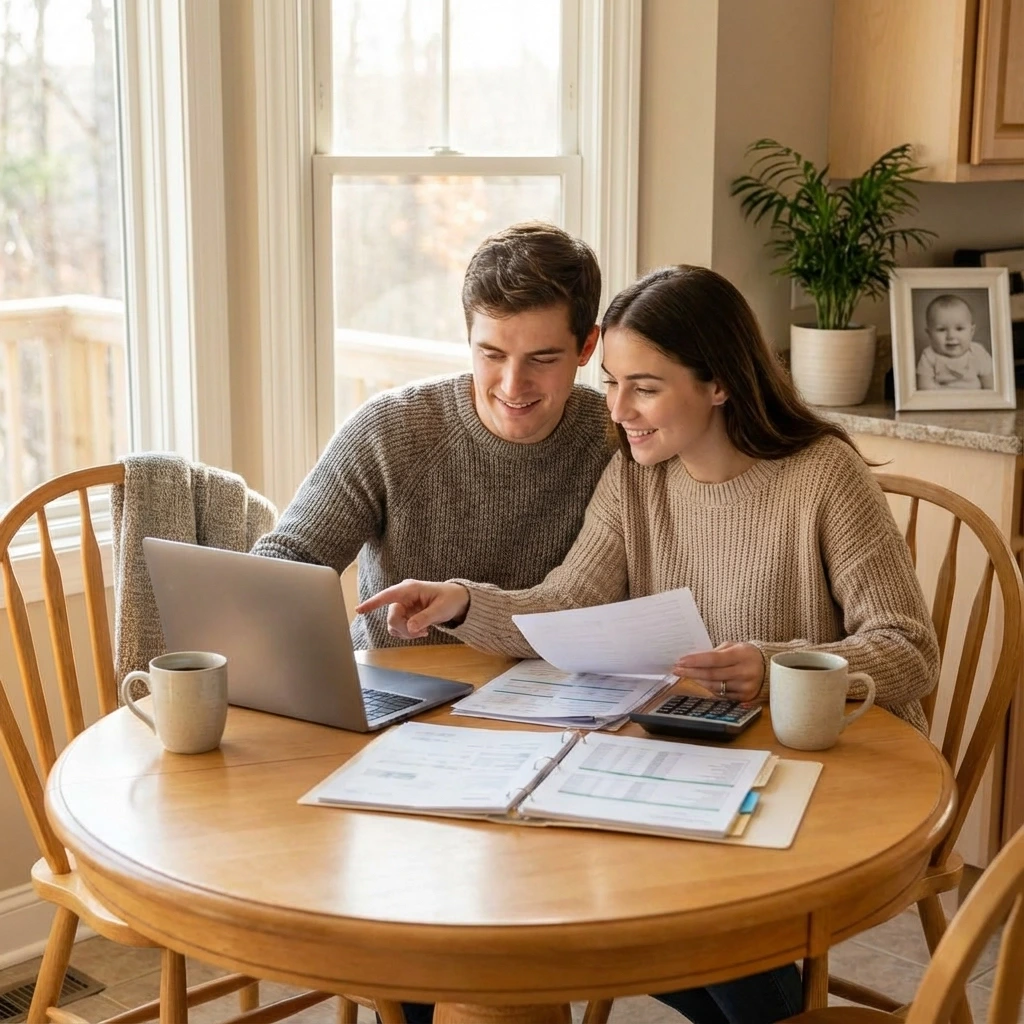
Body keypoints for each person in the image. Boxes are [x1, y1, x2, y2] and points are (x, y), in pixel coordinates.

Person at [358, 264, 939, 1024]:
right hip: (684, 759)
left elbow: (908, 647)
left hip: (808, 776)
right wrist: (463, 602)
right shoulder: (637, 476)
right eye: (613, 381)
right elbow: (566, 600)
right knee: (456, 911)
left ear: (719, 384)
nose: (619, 409)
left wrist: (772, 667)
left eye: (647, 386)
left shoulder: (822, 476)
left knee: (689, 937)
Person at [251, 222, 614, 650]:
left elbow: (581, 604)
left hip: (548, 704)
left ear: (587, 346)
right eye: (492, 354)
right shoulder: (387, 431)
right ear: (468, 339)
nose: (514, 385)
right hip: (390, 695)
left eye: (543, 359)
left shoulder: (616, 438)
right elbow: (291, 561)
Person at [916, 293, 994, 390]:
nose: (951, 336)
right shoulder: (929, 356)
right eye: (941, 329)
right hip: (942, 403)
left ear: (971, 331)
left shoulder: (978, 353)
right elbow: (924, 387)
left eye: (959, 328)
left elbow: (990, 385)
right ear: (929, 333)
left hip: (975, 401)